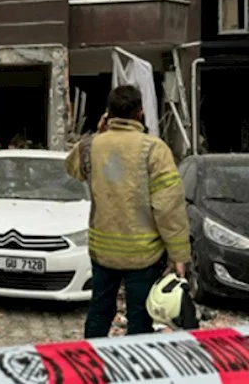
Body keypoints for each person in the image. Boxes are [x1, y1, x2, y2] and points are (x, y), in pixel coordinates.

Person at [65, 85, 190, 339]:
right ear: (140, 113)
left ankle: (92, 369)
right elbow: (169, 208)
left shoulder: (91, 147)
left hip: (103, 252)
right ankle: (133, 374)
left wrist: (98, 133)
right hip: (143, 254)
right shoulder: (154, 149)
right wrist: (179, 255)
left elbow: (72, 168)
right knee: (139, 319)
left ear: (108, 113)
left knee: (99, 313)